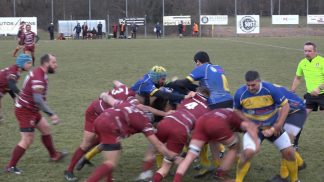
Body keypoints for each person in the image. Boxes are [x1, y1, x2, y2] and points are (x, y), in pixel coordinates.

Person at [85, 94, 180, 182]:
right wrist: (173, 157)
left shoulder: (130, 105)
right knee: (110, 163)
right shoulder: (144, 123)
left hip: (100, 120)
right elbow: (158, 145)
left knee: (115, 152)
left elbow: (108, 98)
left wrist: (103, 95)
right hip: (109, 127)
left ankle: (109, 180)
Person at [172, 51, 233, 177]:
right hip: (228, 102)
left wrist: (174, 83)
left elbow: (185, 82)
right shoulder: (218, 68)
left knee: (200, 133)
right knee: (219, 137)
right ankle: (221, 166)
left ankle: (207, 163)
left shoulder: (202, 68)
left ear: (198, 62)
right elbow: (207, 87)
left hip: (215, 104)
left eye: (196, 64)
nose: (196, 66)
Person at [6, 54, 66, 174]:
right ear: (46, 64)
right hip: (25, 110)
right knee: (27, 139)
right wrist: (51, 114)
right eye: (54, 62)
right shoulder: (39, 76)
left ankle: (54, 155)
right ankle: (10, 167)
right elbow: (38, 99)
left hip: (31, 108)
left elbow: (37, 100)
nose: (56, 65)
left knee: (45, 129)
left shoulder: (41, 73)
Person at [234, 70, 299, 182]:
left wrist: (277, 126)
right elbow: (236, 111)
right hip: (254, 130)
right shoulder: (240, 93)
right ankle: (238, 180)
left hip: (273, 126)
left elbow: (286, 106)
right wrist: (249, 123)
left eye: (253, 85)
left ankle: (295, 180)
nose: (250, 88)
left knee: (289, 152)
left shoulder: (270, 89)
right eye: (248, 85)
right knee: (247, 153)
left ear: (259, 81)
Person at [64, 81, 136, 181]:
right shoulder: (125, 102)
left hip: (106, 116)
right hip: (95, 113)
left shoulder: (128, 91)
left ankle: (106, 175)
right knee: (88, 143)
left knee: (107, 144)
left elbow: (116, 82)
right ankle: (69, 170)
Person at [173, 108, 259, 182]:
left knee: (191, 155)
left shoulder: (228, 112)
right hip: (216, 123)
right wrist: (256, 143)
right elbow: (249, 126)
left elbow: (215, 140)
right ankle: (221, 174)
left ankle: (176, 179)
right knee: (235, 147)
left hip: (201, 121)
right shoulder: (240, 119)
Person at [152, 87, 210, 182]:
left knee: (153, 150)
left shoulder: (188, 97)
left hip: (166, 121)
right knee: (165, 167)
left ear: (197, 92)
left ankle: (145, 174)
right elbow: (196, 133)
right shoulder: (206, 109)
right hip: (180, 129)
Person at [268, 85, 307, 182]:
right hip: (287, 111)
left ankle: (284, 176)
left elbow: (280, 112)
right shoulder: (263, 91)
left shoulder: (272, 94)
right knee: (284, 143)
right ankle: (300, 163)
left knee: (286, 144)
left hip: (298, 111)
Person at [0, 54, 33, 123]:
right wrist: (20, 93)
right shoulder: (14, 72)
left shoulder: (16, 71)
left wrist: (14, 97)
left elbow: (9, 85)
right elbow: (11, 85)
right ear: (21, 63)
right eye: (28, 63)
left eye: (31, 63)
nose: (30, 65)